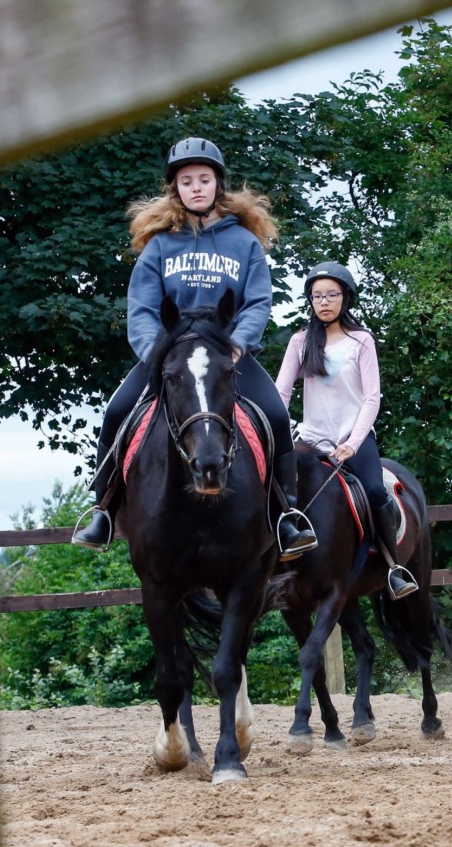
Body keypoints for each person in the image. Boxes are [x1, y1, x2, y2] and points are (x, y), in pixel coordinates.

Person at [70, 137, 317, 558]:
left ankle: (286, 515)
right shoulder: (160, 245)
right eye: (187, 181)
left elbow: (258, 302)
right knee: (116, 410)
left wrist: (239, 344)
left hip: (226, 356)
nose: (196, 187)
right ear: (176, 189)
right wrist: (155, 352)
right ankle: (104, 510)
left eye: (204, 179)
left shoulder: (245, 244)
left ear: (218, 185)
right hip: (172, 357)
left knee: (275, 414)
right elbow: (142, 307)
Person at [276, 262, 417, 599]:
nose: (324, 302)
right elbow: (281, 391)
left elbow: (371, 397)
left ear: (345, 298)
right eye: (317, 296)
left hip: (352, 440)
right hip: (310, 440)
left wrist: (353, 443)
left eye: (331, 295)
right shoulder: (300, 341)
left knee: (374, 490)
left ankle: (392, 567)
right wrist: (276, 430)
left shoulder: (361, 341)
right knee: (275, 490)